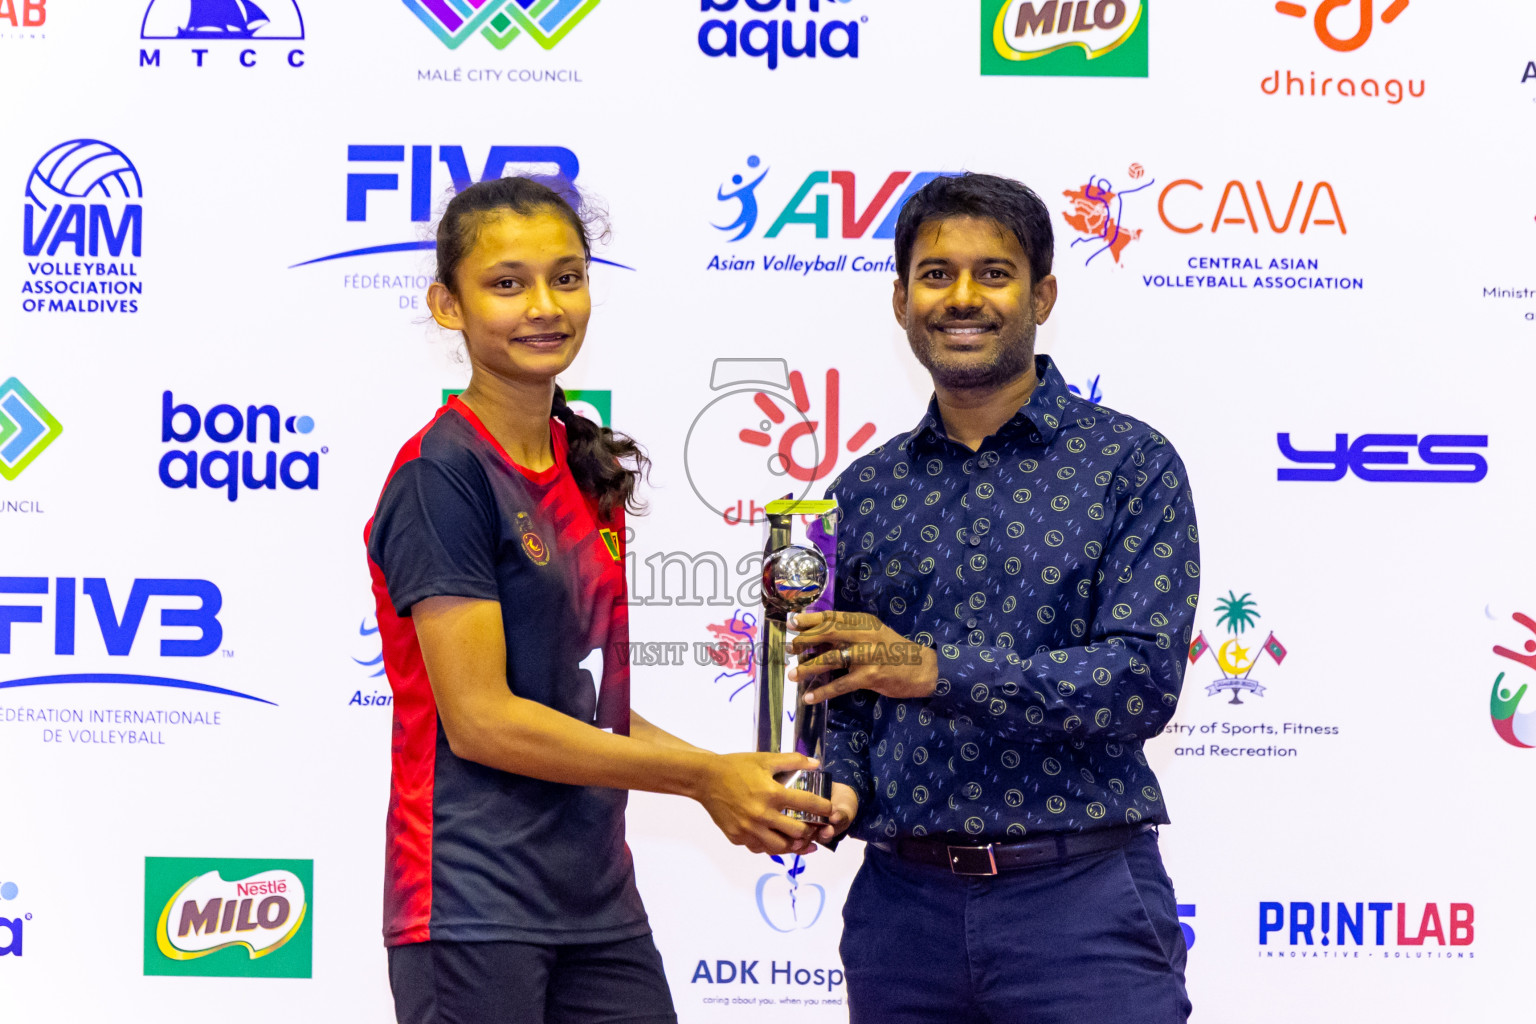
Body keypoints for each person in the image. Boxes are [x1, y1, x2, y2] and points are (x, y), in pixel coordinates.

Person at [364, 176, 832, 1024]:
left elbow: (587, 709)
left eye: (567, 277)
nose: (544, 305)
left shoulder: (585, 466)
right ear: (448, 305)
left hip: (597, 904)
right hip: (471, 905)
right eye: (506, 284)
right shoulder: (443, 476)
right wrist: (700, 779)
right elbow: (483, 718)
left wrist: (738, 775)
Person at [791, 172, 1200, 1023]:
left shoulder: (1129, 464)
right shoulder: (863, 492)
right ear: (900, 300)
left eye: (995, 273)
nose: (962, 297)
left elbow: (1138, 681)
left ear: (1042, 294)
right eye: (936, 275)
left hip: (1080, 902)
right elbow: (850, 700)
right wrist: (839, 785)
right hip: (902, 917)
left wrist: (932, 670)